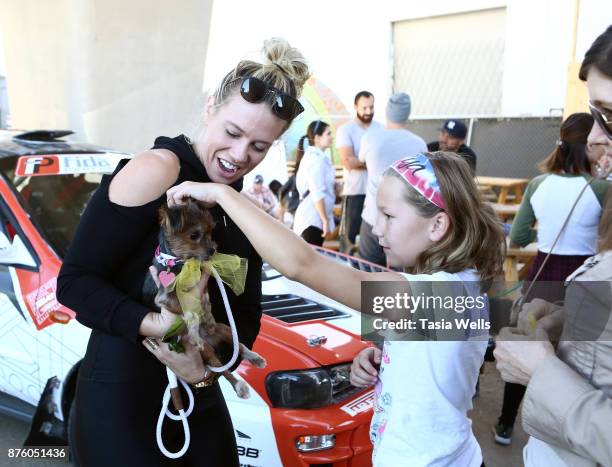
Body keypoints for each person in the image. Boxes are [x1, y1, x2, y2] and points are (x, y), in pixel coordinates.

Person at [56, 38, 310, 467]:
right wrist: (155, 323)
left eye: (259, 147)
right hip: (122, 397)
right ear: (210, 107)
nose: (239, 156)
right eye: (232, 133)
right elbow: (75, 282)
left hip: (198, 392)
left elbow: (245, 315)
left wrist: (208, 367)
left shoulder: (237, 205)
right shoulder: (157, 170)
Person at [166, 151, 505, 466]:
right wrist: (384, 360)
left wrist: (224, 194)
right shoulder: (456, 286)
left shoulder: (436, 296)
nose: (376, 227)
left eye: (388, 216)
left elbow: (304, 265)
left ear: (437, 226)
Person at [494, 25, 612, 467]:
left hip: (542, 273)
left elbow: (520, 236)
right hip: (573, 278)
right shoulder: (599, 193)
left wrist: (544, 372)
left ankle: (504, 423)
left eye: (611, 115)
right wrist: (565, 319)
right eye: (596, 117)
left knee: (521, 352)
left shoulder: (540, 185)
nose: (601, 137)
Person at [358, 92, 427, 265]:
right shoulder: (419, 144)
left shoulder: (371, 138)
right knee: (400, 278)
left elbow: (361, 160)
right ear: (407, 114)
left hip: (373, 215)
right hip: (404, 220)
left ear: (388, 112)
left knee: (368, 272)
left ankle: (370, 294)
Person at [336, 91, 383, 253]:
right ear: (355, 107)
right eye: (364, 108)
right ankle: (346, 275)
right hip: (355, 192)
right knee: (349, 240)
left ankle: (371, 276)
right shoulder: (346, 130)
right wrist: (374, 161)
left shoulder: (380, 129)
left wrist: (362, 161)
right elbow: (348, 161)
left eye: (371, 107)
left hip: (378, 193)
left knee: (377, 239)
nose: (368, 111)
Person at [292, 120, 335, 246]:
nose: (331, 137)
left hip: (314, 219)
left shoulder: (318, 157)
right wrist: (324, 220)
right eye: (328, 134)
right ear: (317, 138)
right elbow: (316, 192)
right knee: (309, 261)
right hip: (313, 219)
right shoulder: (316, 159)